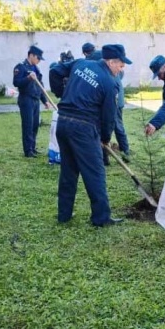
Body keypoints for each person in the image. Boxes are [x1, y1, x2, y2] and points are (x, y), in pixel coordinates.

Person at [50, 44, 133, 227]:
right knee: (95, 172)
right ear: (111, 61)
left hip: (63, 123)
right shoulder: (110, 83)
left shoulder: (80, 63)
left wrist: (61, 94)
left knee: (68, 171)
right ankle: (101, 218)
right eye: (120, 64)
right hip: (83, 128)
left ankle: (64, 214)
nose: (122, 68)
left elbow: (55, 71)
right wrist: (104, 137)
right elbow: (108, 117)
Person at [13, 45, 51, 158]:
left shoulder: (36, 69)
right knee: (28, 125)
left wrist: (44, 101)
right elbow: (16, 82)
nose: (39, 60)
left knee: (35, 125)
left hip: (35, 100)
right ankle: (28, 150)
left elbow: (39, 86)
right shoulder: (21, 67)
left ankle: (32, 148)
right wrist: (28, 78)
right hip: (26, 99)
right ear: (31, 55)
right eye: (38, 58)